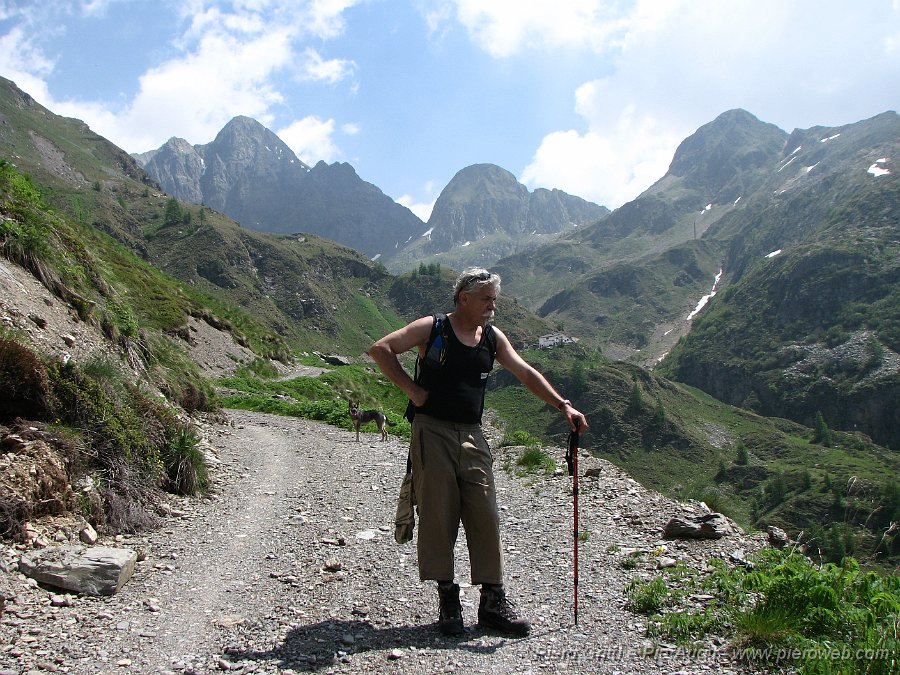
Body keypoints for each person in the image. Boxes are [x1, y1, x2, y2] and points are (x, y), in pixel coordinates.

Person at [369, 267, 589, 637]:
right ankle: (448, 598)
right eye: (486, 298)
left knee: (485, 513)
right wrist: (414, 392)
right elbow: (381, 349)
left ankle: (492, 602)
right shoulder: (433, 328)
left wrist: (563, 405)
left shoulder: (492, 337)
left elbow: (524, 372)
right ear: (464, 298)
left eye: (494, 298)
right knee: (438, 513)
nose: (493, 305)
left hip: (472, 434)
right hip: (432, 431)